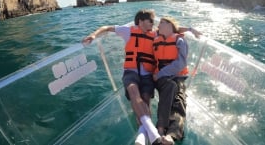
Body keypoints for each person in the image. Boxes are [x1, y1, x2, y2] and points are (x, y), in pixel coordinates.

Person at [82, 9, 201, 145]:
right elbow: (107, 27)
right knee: (133, 90)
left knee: (145, 100)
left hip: (147, 75)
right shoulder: (128, 31)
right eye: (150, 20)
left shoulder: (155, 33)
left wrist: (191, 29)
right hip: (131, 71)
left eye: (153, 21)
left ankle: (142, 134)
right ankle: (152, 132)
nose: (153, 23)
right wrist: (93, 35)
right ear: (140, 21)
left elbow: (173, 28)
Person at [152, 16, 191, 145]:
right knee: (170, 86)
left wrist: (191, 29)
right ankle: (162, 128)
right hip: (161, 78)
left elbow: (180, 63)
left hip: (176, 76)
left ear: (170, 25)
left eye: (161, 23)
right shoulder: (156, 38)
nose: (158, 25)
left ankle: (171, 133)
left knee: (179, 98)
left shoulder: (179, 40)